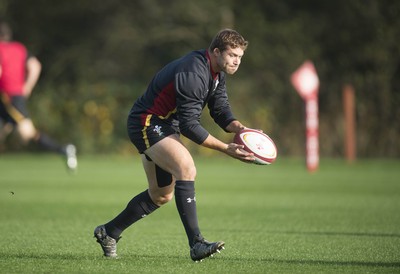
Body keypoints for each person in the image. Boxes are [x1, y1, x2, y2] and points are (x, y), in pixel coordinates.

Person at [94, 29, 255, 261]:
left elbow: (220, 110)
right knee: (186, 168)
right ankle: (196, 244)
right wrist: (225, 149)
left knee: (161, 195)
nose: (236, 61)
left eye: (240, 57)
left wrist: (242, 130)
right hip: (147, 122)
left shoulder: (217, 73)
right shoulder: (194, 72)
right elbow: (190, 125)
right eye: (232, 55)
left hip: (165, 125)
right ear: (216, 51)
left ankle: (109, 232)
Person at [0, 20, 77, 171]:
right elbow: (35, 65)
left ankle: (63, 149)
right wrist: (27, 87)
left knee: (26, 134)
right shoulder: (19, 49)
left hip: (7, 97)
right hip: (15, 96)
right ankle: (63, 150)